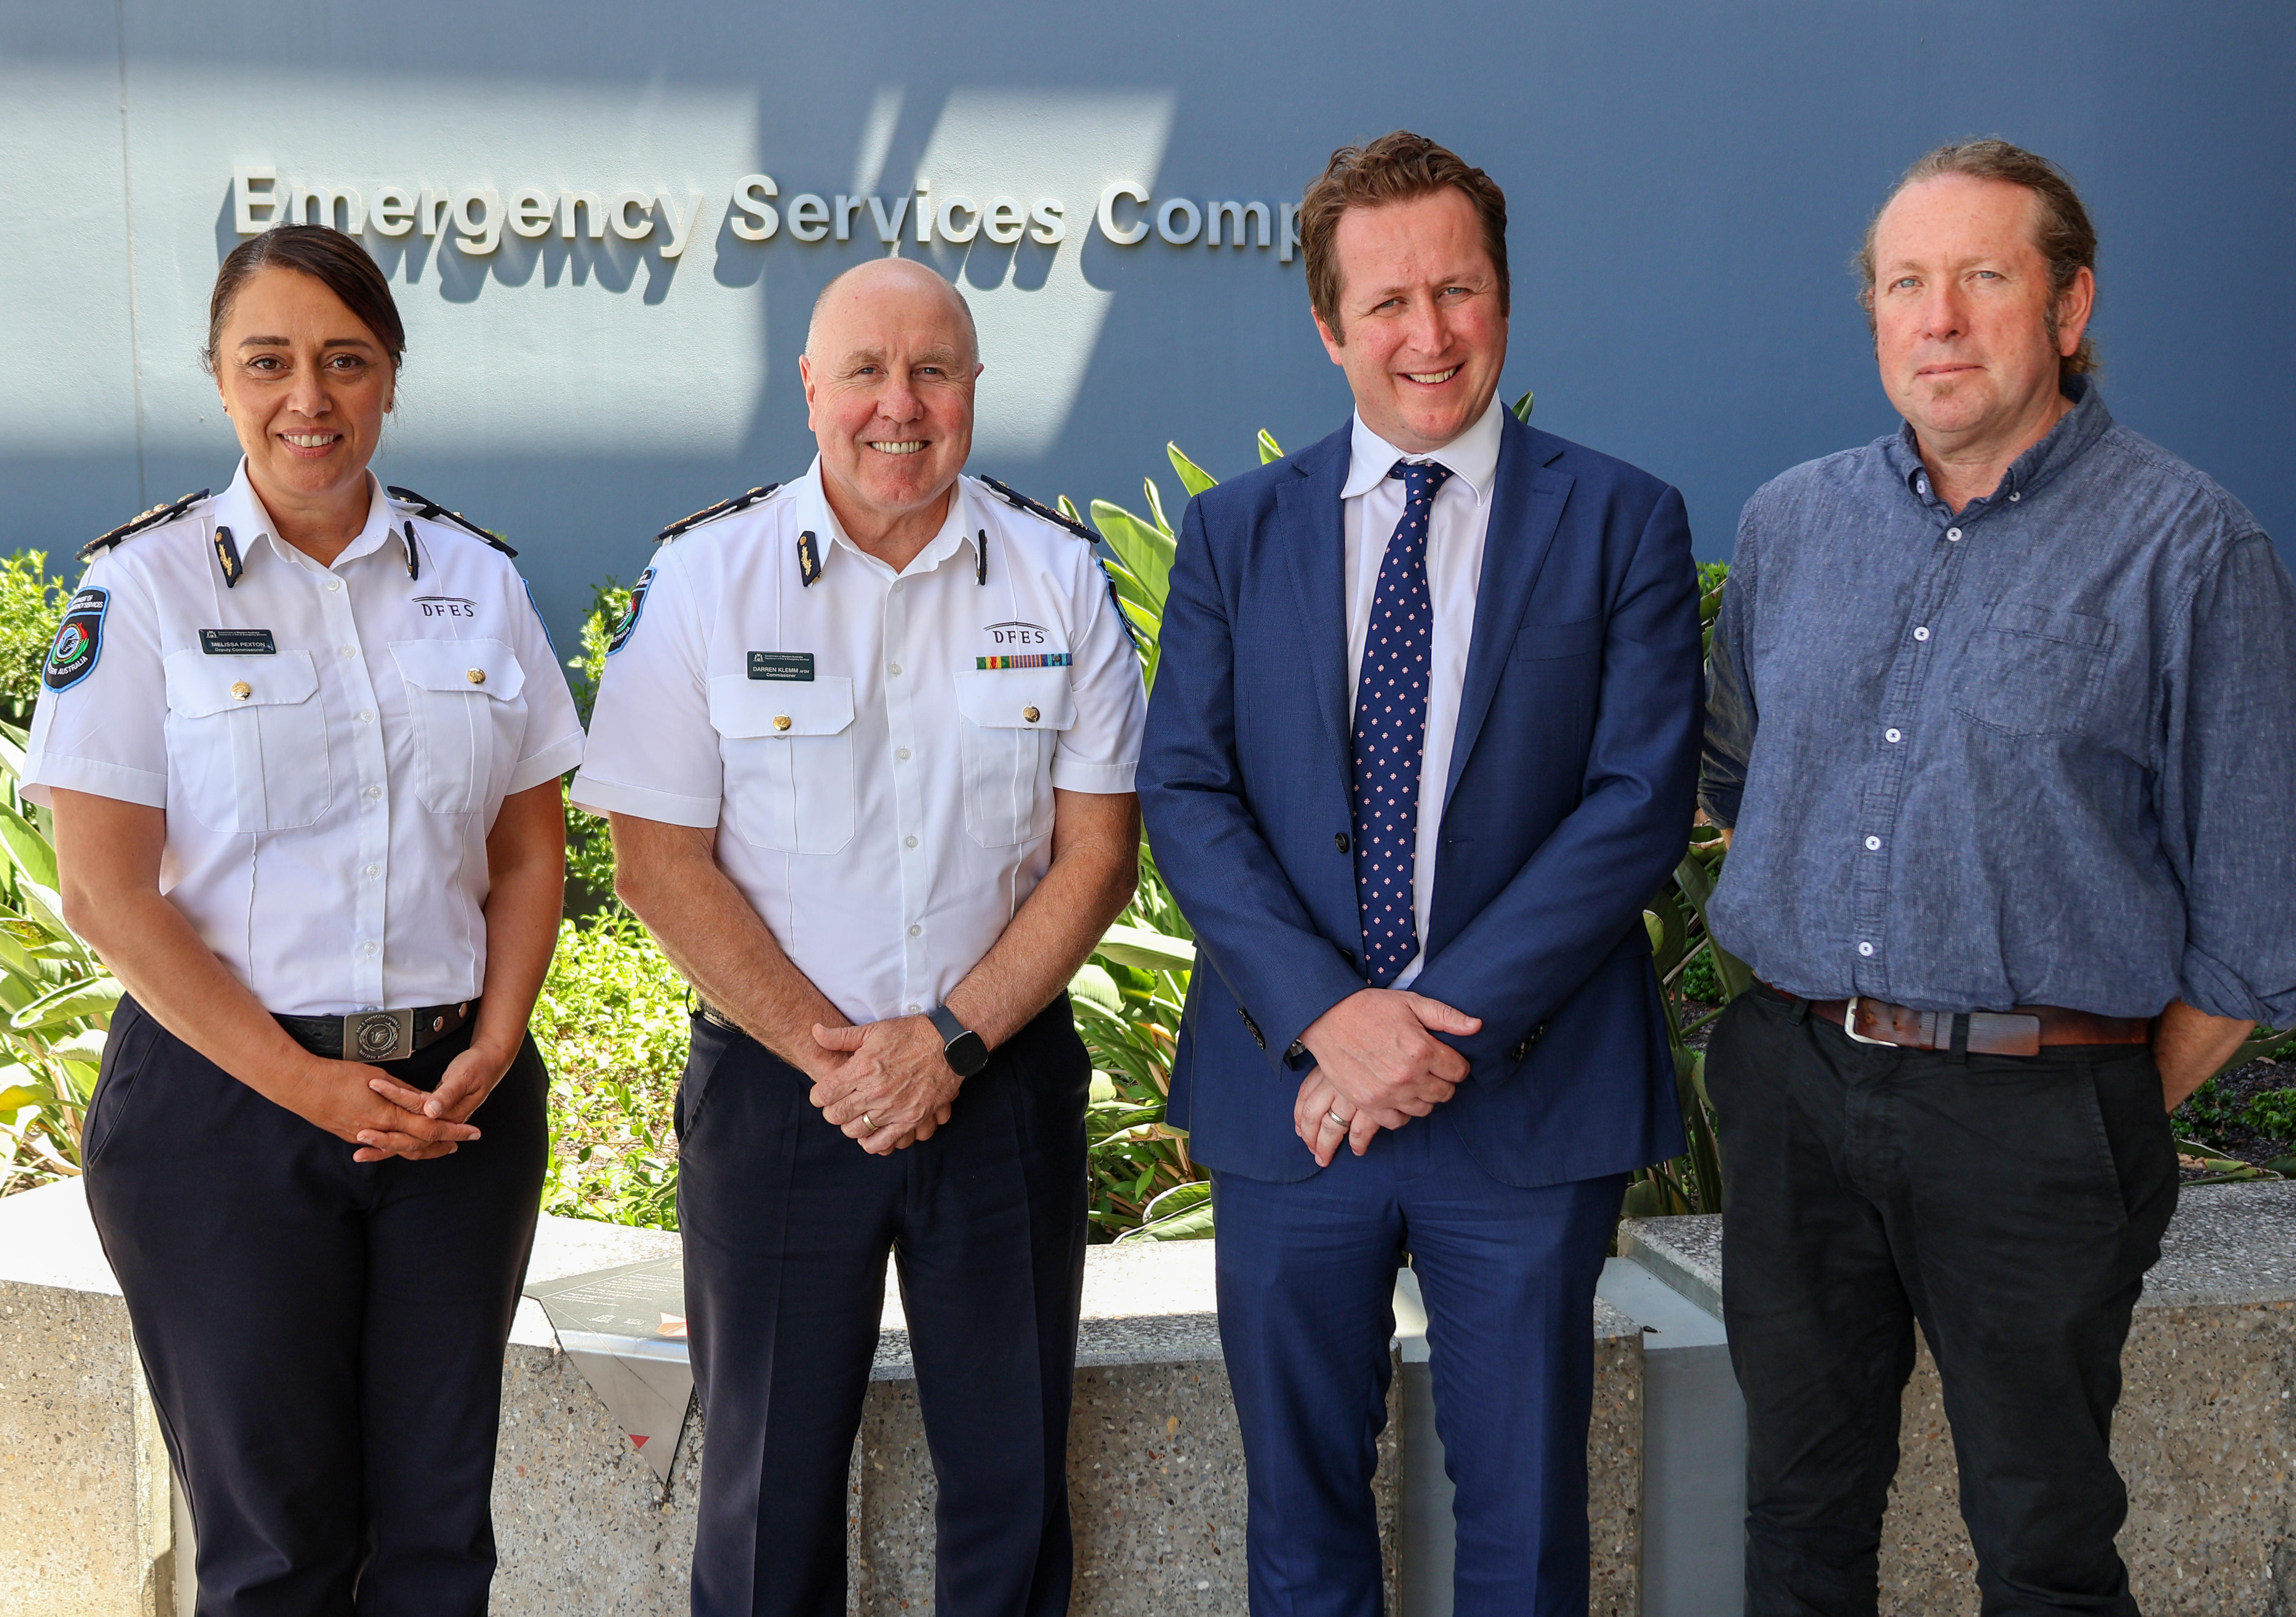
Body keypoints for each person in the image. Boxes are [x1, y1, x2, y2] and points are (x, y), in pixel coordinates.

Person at [1699, 138, 2296, 1615]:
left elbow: (2258, 910)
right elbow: (1736, 781)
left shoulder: (2190, 547)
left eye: (1982, 278)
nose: (1940, 319)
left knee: (2042, 1540)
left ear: (2069, 307)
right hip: (1795, 1092)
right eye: (1908, 283)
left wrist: (2086, 1094)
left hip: (2039, 1115)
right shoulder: (1794, 524)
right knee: (1795, 1513)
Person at [1139, 131, 1704, 1616]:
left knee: (1524, 1527)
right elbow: (1188, 796)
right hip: (1292, 1104)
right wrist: (1333, 1018)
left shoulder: (1623, 518)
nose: (1429, 335)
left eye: (1457, 292)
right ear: (1329, 327)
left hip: (1526, 1102)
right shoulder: (1236, 534)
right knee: (1301, 1516)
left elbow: (1636, 805)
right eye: (1387, 303)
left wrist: (1423, 1024)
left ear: (1504, 301)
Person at [572, 255, 1144, 1617]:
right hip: (779, 1099)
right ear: (812, 391)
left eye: (934, 371)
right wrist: (843, 1061)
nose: (903, 405)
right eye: (869, 374)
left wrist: (943, 1044)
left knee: (1010, 1486)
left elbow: (1099, 854)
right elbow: (655, 858)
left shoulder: (1058, 579)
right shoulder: (710, 576)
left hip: (996, 1088)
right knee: (764, 1495)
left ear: (974, 389)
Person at [25, 223, 582, 1613]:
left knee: (440, 1538)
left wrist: (500, 1038)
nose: (308, 398)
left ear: (391, 377)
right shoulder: (141, 589)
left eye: (345, 360)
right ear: (220, 381)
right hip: (228, 1114)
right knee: (279, 1552)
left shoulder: (479, 582)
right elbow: (104, 890)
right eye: (267, 362)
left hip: (454, 1104)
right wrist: (304, 1082)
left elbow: (528, 854)